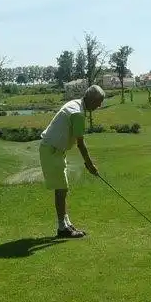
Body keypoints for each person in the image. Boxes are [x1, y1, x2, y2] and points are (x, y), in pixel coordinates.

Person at [39, 85, 105, 238]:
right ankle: (62, 228)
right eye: (98, 102)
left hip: (54, 150)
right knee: (61, 189)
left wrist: (89, 164)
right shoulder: (77, 113)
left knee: (63, 188)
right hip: (52, 150)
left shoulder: (76, 104)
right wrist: (90, 165)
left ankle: (66, 223)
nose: (99, 106)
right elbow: (80, 143)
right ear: (91, 99)